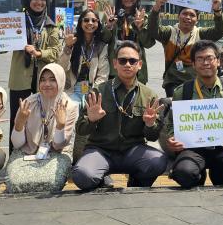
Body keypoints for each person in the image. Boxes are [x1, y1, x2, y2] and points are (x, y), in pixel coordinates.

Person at [71, 40, 167, 191]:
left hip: (132, 151)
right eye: (122, 60)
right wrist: (91, 120)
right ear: (115, 63)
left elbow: (153, 137)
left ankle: (137, 182)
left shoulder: (149, 95)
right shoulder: (98, 92)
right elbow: (80, 129)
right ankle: (100, 180)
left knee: (158, 162)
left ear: (139, 64)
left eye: (132, 61)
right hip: (101, 151)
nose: (127, 64)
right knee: (82, 175)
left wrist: (150, 125)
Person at [165, 40, 223, 188]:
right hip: (194, 149)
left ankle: (217, 173)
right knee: (184, 173)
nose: (205, 63)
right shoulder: (183, 91)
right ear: (193, 64)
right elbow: (171, 123)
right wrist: (172, 138)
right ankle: (198, 174)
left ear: (218, 61)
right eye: (200, 59)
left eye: (209, 58)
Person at [6, 64, 78, 193]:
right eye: (43, 80)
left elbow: (58, 146)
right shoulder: (28, 103)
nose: (47, 84)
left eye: (52, 80)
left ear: (61, 81)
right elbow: (17, 144)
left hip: (57, 153)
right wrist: (19, 124)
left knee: (51, 181)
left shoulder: (70, 106)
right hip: (27, 152)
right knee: (14, 181)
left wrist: (60, 126)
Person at [8, 0, 61, 151]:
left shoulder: (51, 25)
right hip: (20, 79)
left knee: (42, 118)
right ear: (27, 1)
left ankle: (39, 150)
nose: (39, 2)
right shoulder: (15, 22)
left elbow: (56, 51)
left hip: (42, 79)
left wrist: (39, 53)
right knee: (18, 118)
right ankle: (15, 155)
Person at [148, 0, 223, 97]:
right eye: (184, 13)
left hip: (196, 82)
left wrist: (217, 10)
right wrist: (156, 7)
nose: (188, 17)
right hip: (173, 82)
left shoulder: (200, 33)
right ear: (178, 16)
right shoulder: (169, 32)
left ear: (197, 20)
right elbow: (153, 31)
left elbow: (219, 32)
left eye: (192, 15)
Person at [59, 9, 109, 160]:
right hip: (72, 89)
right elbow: (61, 67)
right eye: (86, 20)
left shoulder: (101, 45)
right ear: (80, 23)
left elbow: (103, 75)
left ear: (98, 24)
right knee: (70, 113)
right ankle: (66, 155)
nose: (90, 23)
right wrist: (68, 47)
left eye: (94, 20)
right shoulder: (72, 41)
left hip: (92, 90)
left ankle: (94, 156)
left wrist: (93, 92)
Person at [101, 0, 155, 84]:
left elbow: (149, 44)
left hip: (137, 70)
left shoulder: (143, 17)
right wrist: (109, 26)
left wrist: (140, 28)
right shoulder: (111, 15)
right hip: (115, 69)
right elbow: (104, 40)